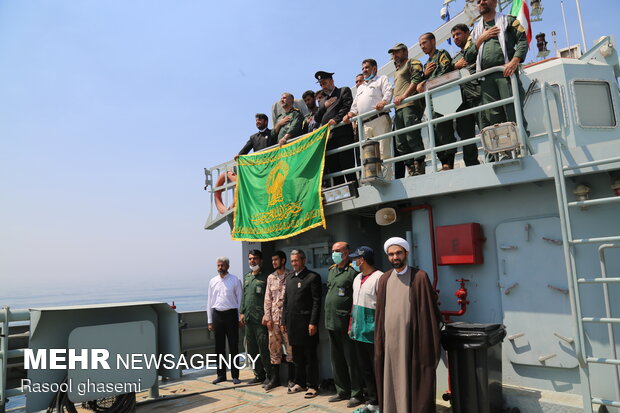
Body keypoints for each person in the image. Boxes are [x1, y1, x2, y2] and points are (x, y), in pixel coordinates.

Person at [374, 237, 442, 412]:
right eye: (391, 254)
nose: (395, 257)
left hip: (412, 342)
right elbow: (381, 313)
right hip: (389, 342)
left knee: (411, 377)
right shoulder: (385, 279)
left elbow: (428, 313)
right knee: (391, 377)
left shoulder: (419, 277)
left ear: (406, 253)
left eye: (398, 253)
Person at [468, 0, 529, 135]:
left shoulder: (508, 21)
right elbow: (467, 56)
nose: (481, 2)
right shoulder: (475, 32)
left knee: (513, 113)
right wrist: (480, 39)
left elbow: (522, 41)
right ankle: (504, 152)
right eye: (478, 1)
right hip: (485, 80)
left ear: (495, 2)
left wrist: (514, 61)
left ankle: (522, 146)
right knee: (493, 117)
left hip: (506, 74)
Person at [324, 242, 363, 408]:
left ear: (346, 253)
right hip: (331, 321)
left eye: (338, 251)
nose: (334, 254)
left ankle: (357, 393)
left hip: (346, 323)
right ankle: (342, 391)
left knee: (352, 360)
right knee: (337, 359)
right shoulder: (332, 271)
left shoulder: (353, 271)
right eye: (333, 251)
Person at [343, 59, 394, 180]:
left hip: (379, 118)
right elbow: (355, 106)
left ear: (374, 69)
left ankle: (386, 178)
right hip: (365, 124)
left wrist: (384, 101)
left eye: (367, 67)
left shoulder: (381, 79)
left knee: (383, 151)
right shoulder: (360, 88)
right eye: (363, 68)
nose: (364, 70)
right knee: (367, 154)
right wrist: (350, 114)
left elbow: (389, 91)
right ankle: (371, 177)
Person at [281, 249, 322, 399]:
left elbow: (317, 302)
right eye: (292, 261)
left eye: (296, 260)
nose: (294, 263)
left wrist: (313, 322)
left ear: (303, 260)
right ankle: (300, 382)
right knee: (297, 356)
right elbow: (286, 302)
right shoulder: (289, 278)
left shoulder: (312, 277)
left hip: (307, 325)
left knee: (310, 356)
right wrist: (283, 321)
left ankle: (313, 386)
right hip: (292, 324)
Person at [348, 246, 383, 413]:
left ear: (362, 260)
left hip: (374, 334)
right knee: (366, 370)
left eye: (355, 259)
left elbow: (384, 308)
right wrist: (351, 326)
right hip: (359, 333)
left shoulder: (379, 278)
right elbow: (354, 306)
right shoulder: (357, 278)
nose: (353, 262)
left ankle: (384, 403)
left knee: (378, 370)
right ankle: (372, 402)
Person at [417, 32, 457, 170]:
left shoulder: (442, 55)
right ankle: (443, 161)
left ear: (433, 41)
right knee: (434, 131)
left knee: (444, 129)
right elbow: (421, 84)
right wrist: (425, 75)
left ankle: (449, 162)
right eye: (420, 44)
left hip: (443, 97)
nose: (422, 46)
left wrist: (426, 80)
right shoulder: (427, 64)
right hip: (432, 101)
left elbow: (445, 71)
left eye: (424, 43)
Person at [389, 43, 426, 177]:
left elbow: (416, 79)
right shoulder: (397, 71)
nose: (395, 55)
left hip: (410, 104)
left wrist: (404, 96)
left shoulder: (412, 62)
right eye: (393, 53)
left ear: (405, 51)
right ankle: (410, 167)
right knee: (400, 142)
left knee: (412, 136)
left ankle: (419, 166)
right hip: (398, 108)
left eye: (397, 52)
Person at [313, 71, 356, 184]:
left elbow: (347, 106)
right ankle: (340, 193)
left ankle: (354, 188)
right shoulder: (322, 100)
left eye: (325, 83)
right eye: (321, 84)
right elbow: (317, 118)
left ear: (332, 81)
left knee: (347, 164)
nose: (323, 86)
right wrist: (324, 106)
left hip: (342, 134)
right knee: (334, 166)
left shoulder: (343, 91)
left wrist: (336, 119)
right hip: (329, 138)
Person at [263, 251, 295, 391]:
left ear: (283, 260)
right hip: (274, 321)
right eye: (272, 260)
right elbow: (267, 299)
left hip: (287, 321)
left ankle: (291, 379)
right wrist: (268, 318)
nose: (274, 262)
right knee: (274, 350)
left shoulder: (291, 276)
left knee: (290, 350)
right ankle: (275, 379)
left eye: (276, 260)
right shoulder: (271, 278)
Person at [207, 256, 243, 385]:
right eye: (218, 265)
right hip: (217, 315)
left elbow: (240, 300)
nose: (220, 268)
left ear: (227, 266)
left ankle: (235, 375)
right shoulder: (212, 281)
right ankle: (221, 375)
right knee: (219, 347)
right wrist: (210, 320)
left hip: (231, 315)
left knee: (233, 346)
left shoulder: (235, 280)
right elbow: (209, 301)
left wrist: (240, 317)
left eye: (222, 265)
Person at [451, 24, 481, 167]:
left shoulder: (478, 47)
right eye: (453, 36)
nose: (456, 37)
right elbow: (447, 72)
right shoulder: (455, 58)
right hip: (462, 99)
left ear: (467, 33)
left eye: (458, 34)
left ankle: (494, 156)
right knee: (465, 134)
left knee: (486, 127)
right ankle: (471, 163)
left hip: (479, 94)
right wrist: (455, 66)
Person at [239, 250, 270, 385]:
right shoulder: (247, 277)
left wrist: (267, 315)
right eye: (250, 259)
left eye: (255, 259)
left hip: (261, 319)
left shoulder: (266, 278)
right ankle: (258, 374)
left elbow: (270, 298)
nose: (252, 261)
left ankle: (270, 375)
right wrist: (242, 312)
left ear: (261, 261)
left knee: (264, 348)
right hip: (249, 319)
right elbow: (244, 297)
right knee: (251, 349)